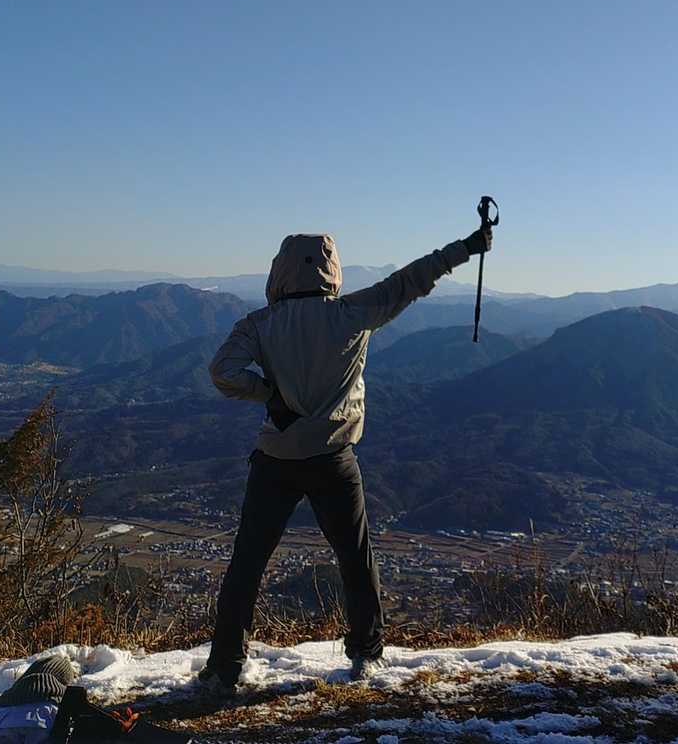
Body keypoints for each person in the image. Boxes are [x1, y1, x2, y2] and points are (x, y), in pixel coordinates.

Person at [199, 226, 493, 689]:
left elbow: (222, 372)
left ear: (280, 270)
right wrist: (468, 247)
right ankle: (366, 653)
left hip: (276, 457)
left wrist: (269, 394)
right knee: (355, 559)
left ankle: (224, 666)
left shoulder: (259, 324)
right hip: (334, 458)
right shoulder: (355, 312)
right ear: (331, 268)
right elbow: (412, 278)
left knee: (247, 564)